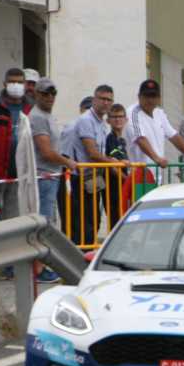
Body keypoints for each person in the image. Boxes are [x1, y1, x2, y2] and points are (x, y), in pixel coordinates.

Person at [29, 78, 76, 284]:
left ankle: (41, 266)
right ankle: (38, 269)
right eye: (45, 93)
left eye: (53, 93)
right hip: (43, 176)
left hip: (51, 176)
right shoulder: (38, 117)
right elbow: (46, 152)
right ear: (36, 94)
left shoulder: (47, 116)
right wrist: (68, 162)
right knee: (43, 224)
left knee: (48, 223)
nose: (50, 97)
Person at [72, 84, 128, 246]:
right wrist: (114, 162)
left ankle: (87, 254)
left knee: (94, 221)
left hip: (95, 178)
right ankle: (81, 257)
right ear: (94, 99)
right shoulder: (86, 120)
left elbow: (100, 153)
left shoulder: (101, 123)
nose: (106, 103)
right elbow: (92, 153)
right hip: (82, 178)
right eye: (102, 99)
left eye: (109, 100)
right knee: (85, 223)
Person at [0, 67, 38, 222]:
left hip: (19, 174)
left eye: (19, 82)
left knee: (12, 220)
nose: (16, 85)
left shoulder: (31, 109)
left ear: (25, 84)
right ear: (4, 84)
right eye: (12, 82)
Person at [56, 96, 92, 239]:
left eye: (91, 109)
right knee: (73, 220)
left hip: (88, 177)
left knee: (89, 219)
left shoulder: (96, 126)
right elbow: (65, 153)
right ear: (81, 110)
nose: (88, 112)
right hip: (72, 177)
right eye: (86, 108)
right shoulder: (73, 126)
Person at [105, 103, 130, 228]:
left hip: (124, 186)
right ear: (108, 120)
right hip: (113, 187)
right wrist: (127, 180)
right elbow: (111, 166)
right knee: (116, 221)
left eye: (120, 116)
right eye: (114, 117)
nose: (117, 119)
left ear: (126, 119)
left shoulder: (123, 140)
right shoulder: (109, 139)